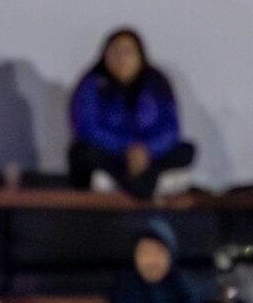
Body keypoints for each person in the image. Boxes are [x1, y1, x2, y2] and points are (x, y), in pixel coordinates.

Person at [68, 28, 196, 200]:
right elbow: (87, 128)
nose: (121, 59)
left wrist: (147, 150)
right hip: (112, 156)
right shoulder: (92, 83)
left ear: (139, 56)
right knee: (81, 152)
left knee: (186, 150)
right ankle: (139, 186)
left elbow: (171, 129)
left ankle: (133, 184)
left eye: (127, 52)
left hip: (148, 158)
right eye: (115, 52)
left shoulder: (156, 83)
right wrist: (127, 149)